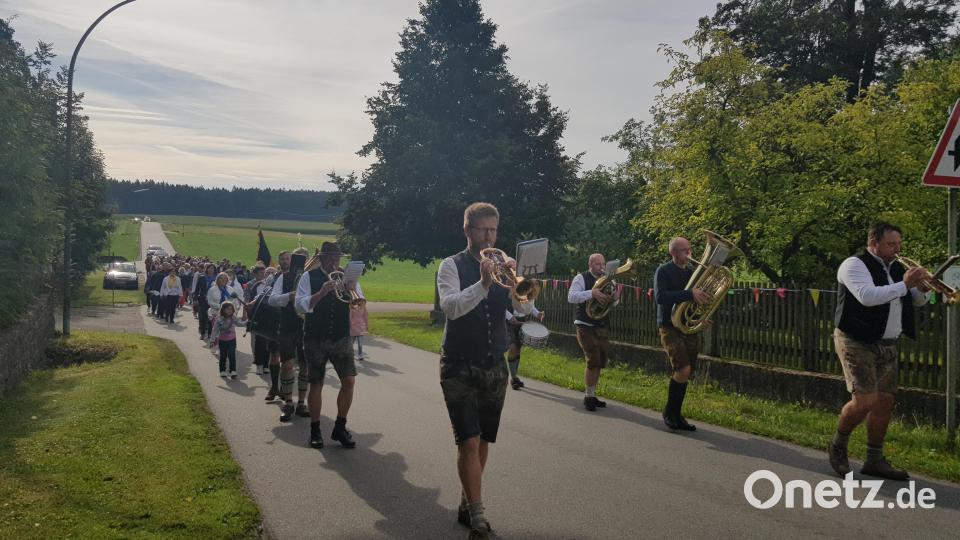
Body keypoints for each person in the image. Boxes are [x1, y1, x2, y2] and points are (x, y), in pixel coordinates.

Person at [828, 223, 930, 480]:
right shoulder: (854, 265)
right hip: (856, 340)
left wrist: (923, 290)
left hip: (888, 342)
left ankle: (874, 459)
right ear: (874, 242)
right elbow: (867, 296)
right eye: (891, 244)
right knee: (865, 400)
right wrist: (905, 284)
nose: (897, 249)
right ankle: (838, 445)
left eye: (899, 244)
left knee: (884, 402)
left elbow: (914, 300)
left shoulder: (897, 268)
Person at [437, 202, 512, 538]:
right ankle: (478, 512)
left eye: (493, 230)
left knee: (483, 440)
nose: (489, 237)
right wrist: (482, 284)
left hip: (495, 362)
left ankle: (468, 500)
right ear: (467, 230)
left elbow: (523, 307)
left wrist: (518, 284)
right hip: (459, 363)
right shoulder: (449, 266)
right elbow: (452, 308)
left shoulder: (503, 267)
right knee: (468, 439)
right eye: (483, 230)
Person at [295, 242, 362, 449]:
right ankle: (315, 430)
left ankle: (340, 427)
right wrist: (321, 293)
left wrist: (352, 291)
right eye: (331, 259)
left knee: (349, 381)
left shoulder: (346, 277)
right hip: (315, 337)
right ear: (322, 259)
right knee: (317, 383)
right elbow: (299, 305)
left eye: (337, 259)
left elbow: (357, 299)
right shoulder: (308, 277)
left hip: (341, 336)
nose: (335, 263)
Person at [654, 237, 711, 431]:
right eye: (684, 250)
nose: (689, 254)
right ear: (673, 253)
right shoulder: (663, 271)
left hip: (687, 326)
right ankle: (669, 413)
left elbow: (696, 301)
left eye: (690, 249)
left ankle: (677, 415)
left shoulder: (691, 273)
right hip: (669, 326)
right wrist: (689, 294)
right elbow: (660, 297)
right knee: (682, 369)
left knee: (686, 372)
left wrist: (702, 317)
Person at [567, 253, 620, 411]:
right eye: (598, 264)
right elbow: (571, 297)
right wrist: (592, 293)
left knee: (601, 361)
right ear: (590, 265)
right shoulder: (581, 278)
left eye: (603, 264)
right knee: (593, 359)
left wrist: (616, 298)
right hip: (585, 325)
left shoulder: (609, 279)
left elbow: (613, 303)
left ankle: (592, 394)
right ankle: (588, 396)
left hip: (601, 325)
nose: (602, 267)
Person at [268, 249, 310, 422]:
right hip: (287, 326)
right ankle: (288, 402)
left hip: (306, 327)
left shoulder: (310, 280)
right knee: (287, 365)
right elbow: (272, 299)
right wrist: (289, 296)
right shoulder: (283, 278)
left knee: (305, 366)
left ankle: (301, 402)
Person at [504, 298, 543, 390]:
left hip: (522, 319)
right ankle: (513, 378)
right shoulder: (507, 286)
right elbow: (499, 304)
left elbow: (530, 306)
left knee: (518, 348)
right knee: (513, 348)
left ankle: (515, 377)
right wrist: (509, 316)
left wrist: (537, 313)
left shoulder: (526, 288)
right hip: (508, 320)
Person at [209, 301, 246, 379]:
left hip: (232, 340)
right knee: (223, 356)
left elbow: (239, 324)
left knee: (232, 355)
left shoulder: (233, 317)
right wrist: (212, 340)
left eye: (231, 309)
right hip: (222, 341)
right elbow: (215, 330)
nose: (229, 310)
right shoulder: (219, 319)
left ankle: (233, 371)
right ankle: (222, 370)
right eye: (227, 309)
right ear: (223, 310)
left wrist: (247, 322)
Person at [194, 264, 218, 339]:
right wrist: (195, 299)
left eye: (212, 268)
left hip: (212, 301)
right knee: (202, 317)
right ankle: (202, 333)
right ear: (206, 269)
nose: (211, 270)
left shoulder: (216, 278)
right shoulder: (202, 277)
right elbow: (197, 289)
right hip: (202, 300)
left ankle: (210, 334)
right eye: (210, 268)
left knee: (211, 317)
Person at [350, 289, 369, 361]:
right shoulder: (352, 308)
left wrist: (367, 325)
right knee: (351, 342)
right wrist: (350, 325)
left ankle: (360, 355)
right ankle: (350, 354)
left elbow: (366, 317)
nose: (361, 302)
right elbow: (350, 317)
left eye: (363, 301)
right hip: (353, 327)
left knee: (360, 343)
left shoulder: (364, 308)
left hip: (361, 327)